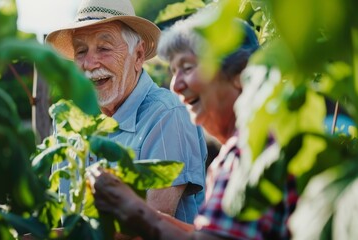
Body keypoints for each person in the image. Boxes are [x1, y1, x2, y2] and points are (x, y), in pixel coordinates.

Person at [87, 11, 299, 240]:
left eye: (187, 68)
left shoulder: (253, 153)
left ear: (241, 73)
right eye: (174, 71)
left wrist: (131, 208)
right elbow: (207, 233)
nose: (176, 85)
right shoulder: (237, 152)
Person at [46, 0, 207, 224]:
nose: (89, 63)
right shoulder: (68, 122)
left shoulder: (166, 114)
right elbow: (60, 212)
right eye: (81, 51)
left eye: (104, 48)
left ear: (139, 56)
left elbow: (151, 225)